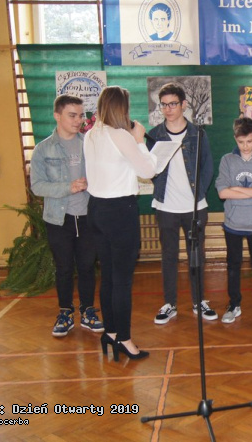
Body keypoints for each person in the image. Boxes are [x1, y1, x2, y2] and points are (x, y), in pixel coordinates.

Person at [84, 86, 157, 361]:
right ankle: (124, 339)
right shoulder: (121, 136)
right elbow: (148, 170)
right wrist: (139, 141)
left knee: (109, 276)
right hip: (119, 211)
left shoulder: (91, 134)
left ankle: (111, 332)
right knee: (122, 280)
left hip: (97, 209)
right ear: (121, 108)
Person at [30, 94, 102, 337]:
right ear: (57, 116)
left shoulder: (89, 144)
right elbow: (37, 186)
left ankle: (88, 311)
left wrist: (93, 183)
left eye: (81, 115)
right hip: (58, 219)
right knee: (63, 268)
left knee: (87, 267)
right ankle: (65, 312)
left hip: (87, 216)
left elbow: (103, 176)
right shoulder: (43, 149)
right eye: (72, 115)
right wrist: (68, 187)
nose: (78, 120)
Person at [146, 83, 217, 324]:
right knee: (169, 256)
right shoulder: (154, 135)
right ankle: (170, 304)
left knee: (196, 256)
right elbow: (150, 169)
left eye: (173, 104)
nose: (168, 109)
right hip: (166, 207)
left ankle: (199, 301)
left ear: (184, 104)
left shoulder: (198, 134)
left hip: (195, 207)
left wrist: (198, 195)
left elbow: (208, 167)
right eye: (164, 105)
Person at [215, 117, 252, 323]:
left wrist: (236, 189)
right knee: (233, 266)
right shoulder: (227, 160)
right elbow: (222, 193)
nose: (245, 146)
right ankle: (234, 304)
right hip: (233, 223)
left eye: (249, 141)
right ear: (235, 139)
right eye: (241, 142)